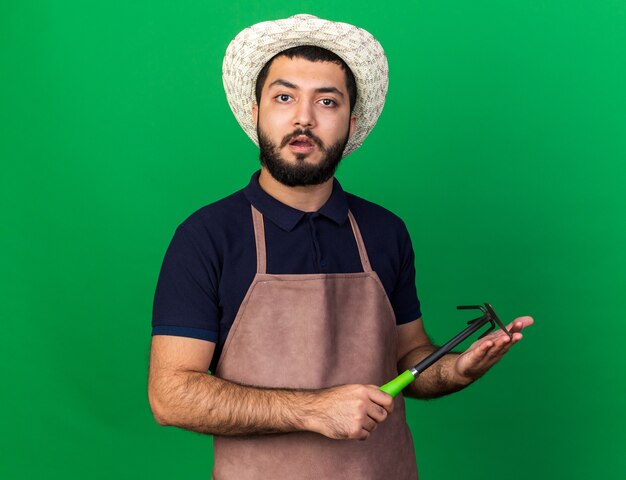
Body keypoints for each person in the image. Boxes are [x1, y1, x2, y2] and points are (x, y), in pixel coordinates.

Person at [148, 14, 533, 479]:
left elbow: (410, 357)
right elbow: (171, 395)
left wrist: (457, 370)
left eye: (327, 101)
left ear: (351, 122)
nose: (303, 118)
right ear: (256, 113)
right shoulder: (207, 236)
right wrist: (313, 410)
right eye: (284, 97)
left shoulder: (385, 231)